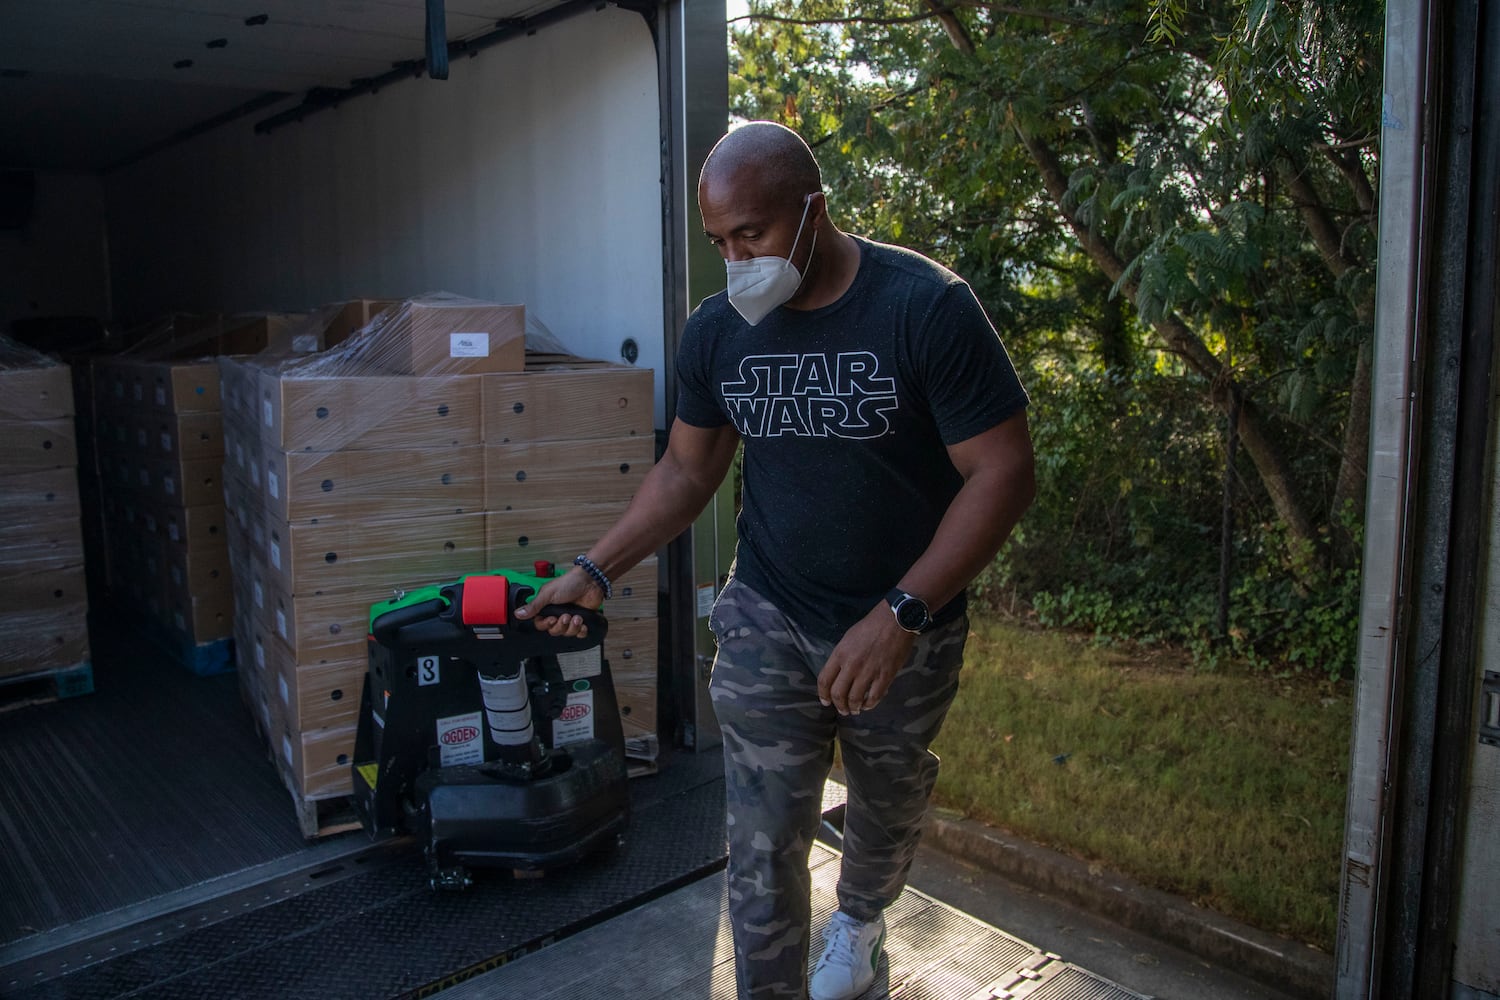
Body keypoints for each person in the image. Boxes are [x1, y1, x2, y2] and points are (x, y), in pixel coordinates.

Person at [515, 120, 1035, 1000]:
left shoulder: (924, 308)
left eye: (750, 234)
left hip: (903, 623)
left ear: (812, 211)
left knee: (885, 797)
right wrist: (595, 570)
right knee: (759, 844)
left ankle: (864, 921)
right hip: (768, 611)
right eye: (720, 242)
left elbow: (1005, 471)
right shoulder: (718, 331)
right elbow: (688, 469)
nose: (735, 258)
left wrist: (901, 614)